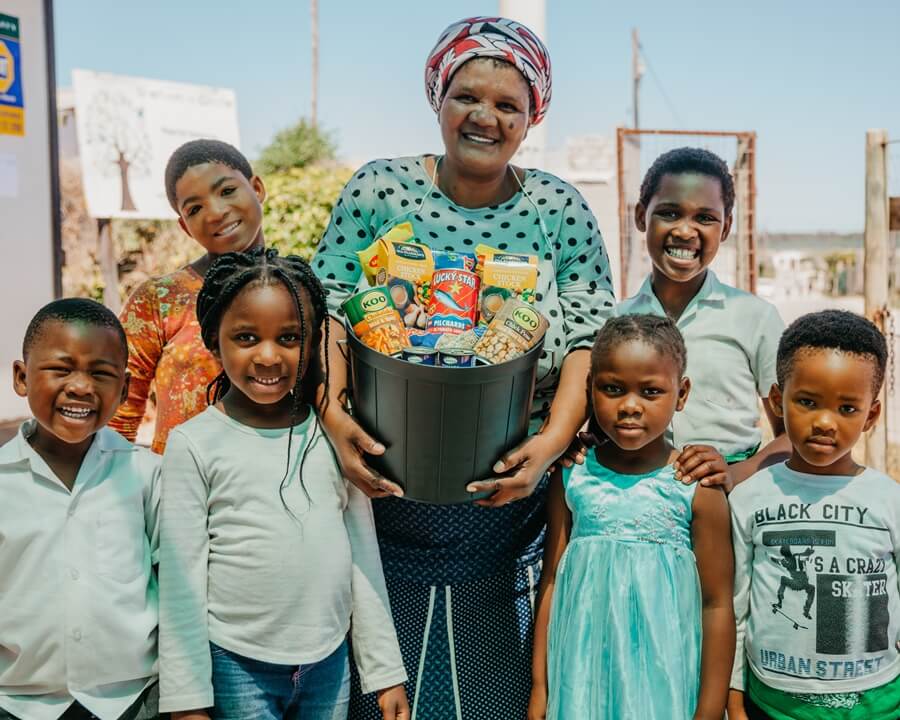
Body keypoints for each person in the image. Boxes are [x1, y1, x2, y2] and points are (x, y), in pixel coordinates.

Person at [312, 16, 617, 718]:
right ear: (437, 99)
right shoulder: (380, 190)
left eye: (508, 104)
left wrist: (546, 448)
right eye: (466, 97)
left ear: (531, 116)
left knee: (495, 688)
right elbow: (328, 310)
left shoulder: (557, 208)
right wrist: (334, 420)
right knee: (383, 687)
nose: (485, 116)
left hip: (508, 498)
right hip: (381, 481)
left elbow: (585, 340)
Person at [157, 248, 408, 720]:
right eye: (246, 337)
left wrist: (384, 670)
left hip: (328, 665)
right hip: (236, 665)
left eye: (290, 338)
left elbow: (362, 557)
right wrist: (187, 702)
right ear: (214, 340)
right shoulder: (193, 444)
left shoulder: (335, 436)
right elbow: (180, 580)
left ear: (312, 343)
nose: (269, 356)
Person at [529, 314, 734, 720]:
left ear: (682, 393)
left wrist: (710, 709)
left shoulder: (695, 486)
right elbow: (550, 580)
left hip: (665, 686)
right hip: (581, 681)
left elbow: (717, 604)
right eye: (612, 389)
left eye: (651, 391)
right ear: (591, 389)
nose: (629, 407)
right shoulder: (572, 477)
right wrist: (541, 687)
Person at [728, 310, 900, 720]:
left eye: (846, 408)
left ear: (871, 416)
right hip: (773, 703)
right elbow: (734, 610)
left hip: (876, 704)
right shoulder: (749, 498)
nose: (824, 422)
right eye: (807, 402)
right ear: (776, 401)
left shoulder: (889, 499)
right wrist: (733, 700)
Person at [0, 298, 160, 720]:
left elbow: (177, 593)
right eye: (61, 368)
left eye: (101, 374)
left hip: (133, 702)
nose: (81, 386)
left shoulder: (146, 475)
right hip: (17, 704)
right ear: (21, 377)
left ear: (124, 390)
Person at [617, 147, 790, 488]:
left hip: (731, 503)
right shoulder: (616, 322)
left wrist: (734, 474)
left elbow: (792, 437)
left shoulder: (754, 319)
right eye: (669, 213)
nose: (685, 231)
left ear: (725, 228)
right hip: (638, 507)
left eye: (705, 218)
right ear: (640, 217)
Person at [110, 139, 267, 454]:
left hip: (276, 490)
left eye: (227, 191)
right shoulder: (160, 299)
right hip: (179, 493)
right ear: (184, 226)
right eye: (195, 208)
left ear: (257, 189)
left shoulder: (298, 290)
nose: (216, 212)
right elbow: (118, 416)